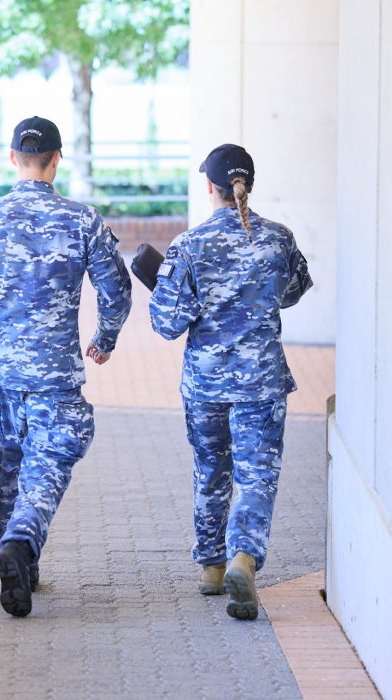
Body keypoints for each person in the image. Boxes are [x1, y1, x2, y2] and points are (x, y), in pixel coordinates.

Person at [0, 116, 132, 617]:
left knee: (14, 467)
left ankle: (20, 571)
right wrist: (104, 337)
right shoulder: (83, 220)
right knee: (49, 463)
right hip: (55, 374)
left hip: (1, 373)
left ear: (12, 158)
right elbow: (118, 289)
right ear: (57, 160)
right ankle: (21, 544)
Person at [149, 144, 313, 620]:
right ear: (248, 185)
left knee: (211, 469)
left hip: (205, 384)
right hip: (261, 380)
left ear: (210, 188)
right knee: (257, 474)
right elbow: (294, 292)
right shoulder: (278, 239)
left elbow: (166, 324)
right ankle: (245, 555)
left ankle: (212, 568)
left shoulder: (190, 244)